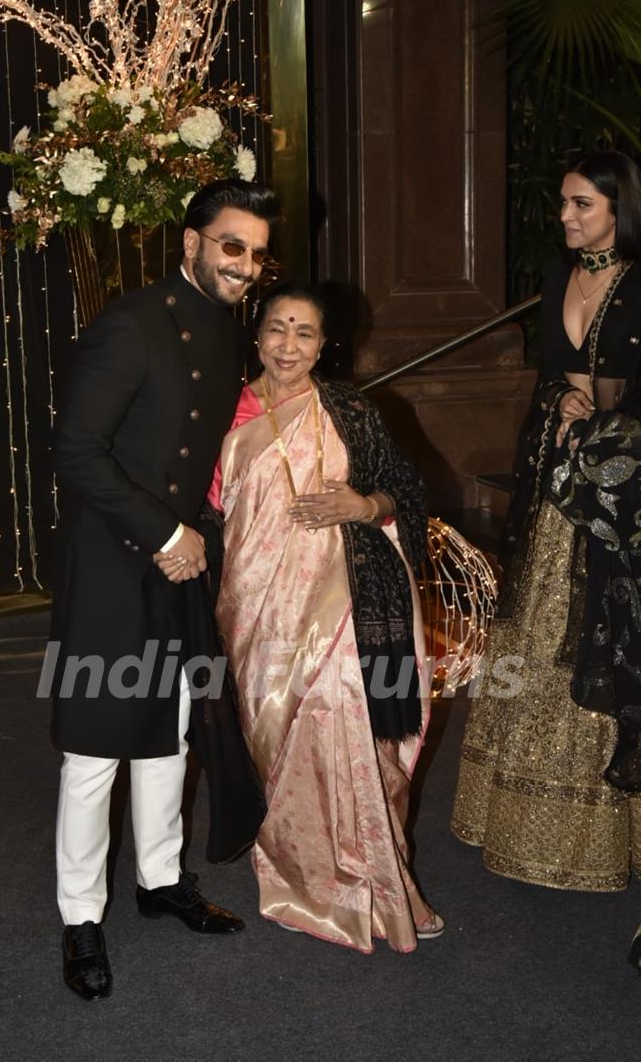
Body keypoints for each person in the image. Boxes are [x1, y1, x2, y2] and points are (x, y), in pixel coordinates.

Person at [49, 178, 279, 1001]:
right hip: (118, 561)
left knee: (172, 730)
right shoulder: (128, 324)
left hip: (183, 562)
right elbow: (76, 452)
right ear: (190, 242)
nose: (245, 266)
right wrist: (166, 533)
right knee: (94, 750)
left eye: (255, 253)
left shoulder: (228, 332)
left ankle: (158, 880)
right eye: (231, 246)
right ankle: (81, 917)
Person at [209, 281, 443, 953]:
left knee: (348, 723)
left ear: (323, 344)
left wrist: (363, 508)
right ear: (257, 334)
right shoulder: (220, 411)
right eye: (278, 328)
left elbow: (407, 490)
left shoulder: (349, 409)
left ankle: (384, 881)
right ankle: (305, 876)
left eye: (305, 333)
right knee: (281, 740)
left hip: (345, 601)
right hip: (254, 609)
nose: (289, 345)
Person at [451, 152, 641, 920]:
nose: (565, 217)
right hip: (558, 482)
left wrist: (599, 415)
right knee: (537, 632)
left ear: (620, 207)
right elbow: (551, 377)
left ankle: (607, 836)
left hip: (622, 499)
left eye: (581, 205)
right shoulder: (556, 277)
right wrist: (563, 410)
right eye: (563, 203)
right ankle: (529, 822)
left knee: (606, 635)